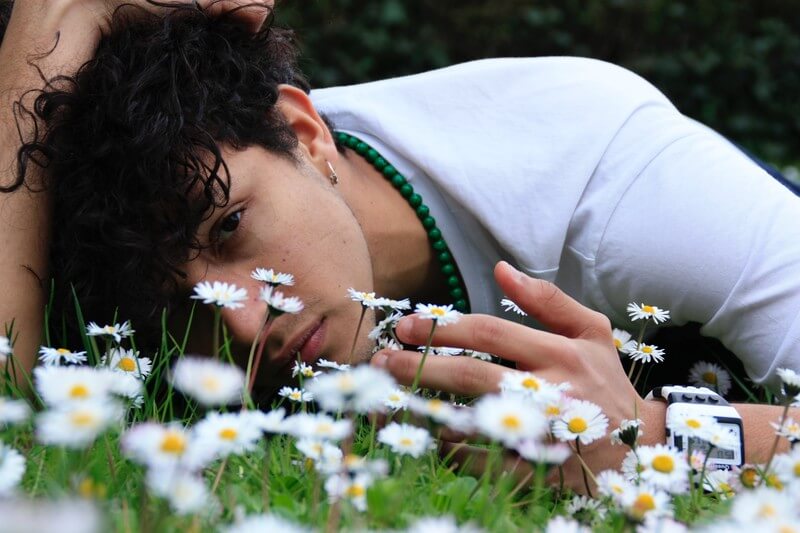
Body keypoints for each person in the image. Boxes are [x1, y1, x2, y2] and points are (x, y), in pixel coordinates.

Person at [0, 0, 797, 490]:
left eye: (231, 227)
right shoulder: (134, 234)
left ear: (308, 134)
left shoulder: (610, 183)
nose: (242, 323)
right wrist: (45, 20)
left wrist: (650, 437)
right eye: (183, 303)